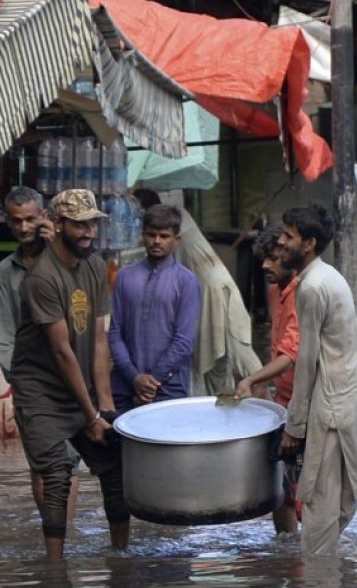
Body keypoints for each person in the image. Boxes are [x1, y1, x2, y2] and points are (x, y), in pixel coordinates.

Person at [10, 189, 130, 561]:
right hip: (41, 392)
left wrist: (104, 410)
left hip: (81, 387)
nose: (88, 232)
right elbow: (62, 352)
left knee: (114, 464)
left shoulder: (95, 265)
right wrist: (89, 416)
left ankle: (121, 556)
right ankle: (54, 568)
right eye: (79, 224)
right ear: (58, 225)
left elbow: (98, 340)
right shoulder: (41, 278)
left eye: (92, 223)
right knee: (58, 474)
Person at [276, 205, 357, 554]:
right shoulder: (328, 276)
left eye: (289, 236)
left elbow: (306, 360)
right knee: (336, 506)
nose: (281, 242)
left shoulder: (311, 287)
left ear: (309, 243)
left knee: (318, 511)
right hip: (351, 392)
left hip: (334, 401)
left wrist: (294, 425)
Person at [0, 186, 82, 523]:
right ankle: (55, 540)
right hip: (30, 382)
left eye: (30, 219)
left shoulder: (73, 263)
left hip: (71, 377)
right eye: (16, 221)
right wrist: (18, 380)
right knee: (42, 463)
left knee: (69, 461)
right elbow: (4, 334)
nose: (23, 228)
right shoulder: (6, 271)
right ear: (7, 221)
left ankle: (65, 537)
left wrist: (55, 252)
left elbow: (85, 319)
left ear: (44, 218)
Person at [133, 188, 261, 396]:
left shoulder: (176, 221)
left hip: (213, 290)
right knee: (218, 357)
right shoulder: (179, 219)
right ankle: (226, 405)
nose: (157, 239)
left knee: (235, 354)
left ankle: (265, 399)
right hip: (210, 287)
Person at [234, 225, 302, 533]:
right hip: (284, 399)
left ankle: (312, 566)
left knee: (303, 490)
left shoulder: (303, 292)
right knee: (282, 489)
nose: (265, 266)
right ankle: (288, 554)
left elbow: (290, 354)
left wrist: (251, 379)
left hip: (307, 401)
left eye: (273, 259)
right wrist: (261, 386)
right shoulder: (276, 290)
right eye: (264, 258)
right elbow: (277, 349)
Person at [109, 204, 201, 415]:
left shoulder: (186, 281)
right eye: (151, 235)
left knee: (166, 446)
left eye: (164, 236)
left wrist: (152, 381)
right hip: (125, 385)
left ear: (176, 240)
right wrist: (134, 377)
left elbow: (184, 342)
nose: (157, 241)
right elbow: (114, 333)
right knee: (124, 446)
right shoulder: (124, 276)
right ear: (143, 236)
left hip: (169, 388)